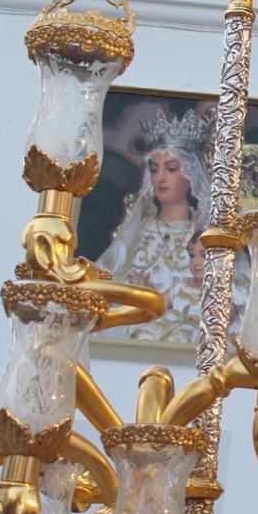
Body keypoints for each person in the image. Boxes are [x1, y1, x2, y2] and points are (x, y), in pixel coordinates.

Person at [98, 108, 212, 342]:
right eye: (154, 169)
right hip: (132, 326)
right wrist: (132, 293)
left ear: (191, 174)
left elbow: (225, 297)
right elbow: (104, 279)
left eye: (171, 169)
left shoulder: (204, 237)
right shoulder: (137, 233)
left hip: (182, 333)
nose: (160, 178)